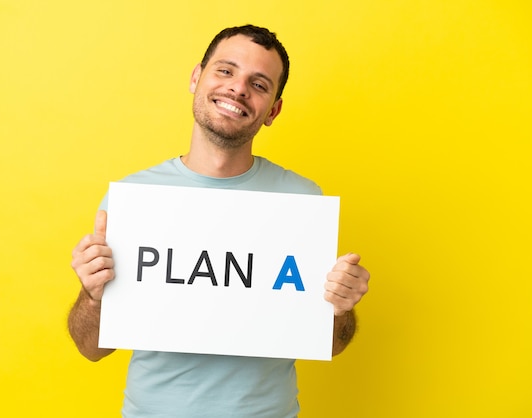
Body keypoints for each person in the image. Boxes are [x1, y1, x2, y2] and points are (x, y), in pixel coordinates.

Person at [68, 24, 370, 417]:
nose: (238, 89)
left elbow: (330, 343)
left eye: (259, 84)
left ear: (273, 111)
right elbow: (92, 348)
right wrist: (92, 296)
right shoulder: (136, 199)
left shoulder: (302, 202)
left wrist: (341, 306)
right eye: (225, 71)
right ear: (197, 77)